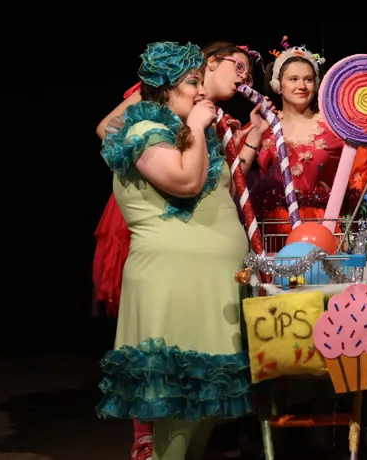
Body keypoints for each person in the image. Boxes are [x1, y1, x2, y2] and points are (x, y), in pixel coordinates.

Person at [92, 42, 261, 460]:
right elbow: (184, 182)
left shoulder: (190, 135)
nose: (202, 91)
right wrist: (200, 126)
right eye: (191, 82)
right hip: (174, 284)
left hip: (212, 284)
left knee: (205, 405)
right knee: (179, 403)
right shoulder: (141, 132)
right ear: (165, 88)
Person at [246, 40, 367, 246]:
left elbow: (365, 169)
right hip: (271, 226)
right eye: (293, 79)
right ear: (278, 84)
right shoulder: (262, 127)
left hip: (323, 225)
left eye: (308, 79)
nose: (302, 86)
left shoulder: (334, 128)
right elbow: (238, 173)